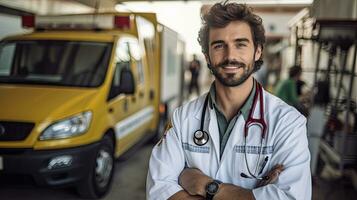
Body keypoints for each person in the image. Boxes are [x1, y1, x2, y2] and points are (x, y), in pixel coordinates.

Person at [147, 2, 311, 200]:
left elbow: (292, 197)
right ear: (207, 56)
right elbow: (158, 192)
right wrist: (254, 194)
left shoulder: (288, 122)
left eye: (240, 44)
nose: (230, 56)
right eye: (219, 45)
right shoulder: (183, 118)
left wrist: (206, 185)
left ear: (257, 51)